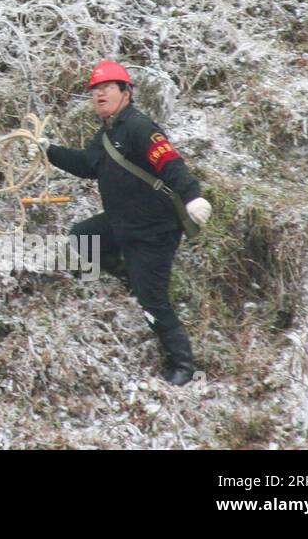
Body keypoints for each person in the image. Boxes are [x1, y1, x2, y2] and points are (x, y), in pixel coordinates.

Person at [40, 60, 212, 384]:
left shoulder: (139, 127)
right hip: (122, 224)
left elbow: (170, 163)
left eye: (107, 88)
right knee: (81, 236)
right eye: (95, 90)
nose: (99, 94)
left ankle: (183, 367)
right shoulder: (106, 133)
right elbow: (86, 164)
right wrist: (50, 151)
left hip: (153, 232)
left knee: (154, 304)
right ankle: (122, 277)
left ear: (126, 92)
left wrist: (193, 197)